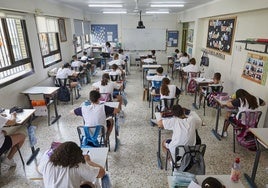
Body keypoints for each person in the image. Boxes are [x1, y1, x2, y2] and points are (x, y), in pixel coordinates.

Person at [38, 141, 105, 188]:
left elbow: (38, 169)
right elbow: (101, 173)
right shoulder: (77, 165)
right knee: (89, 184)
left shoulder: (47, 162)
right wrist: (88, 161)